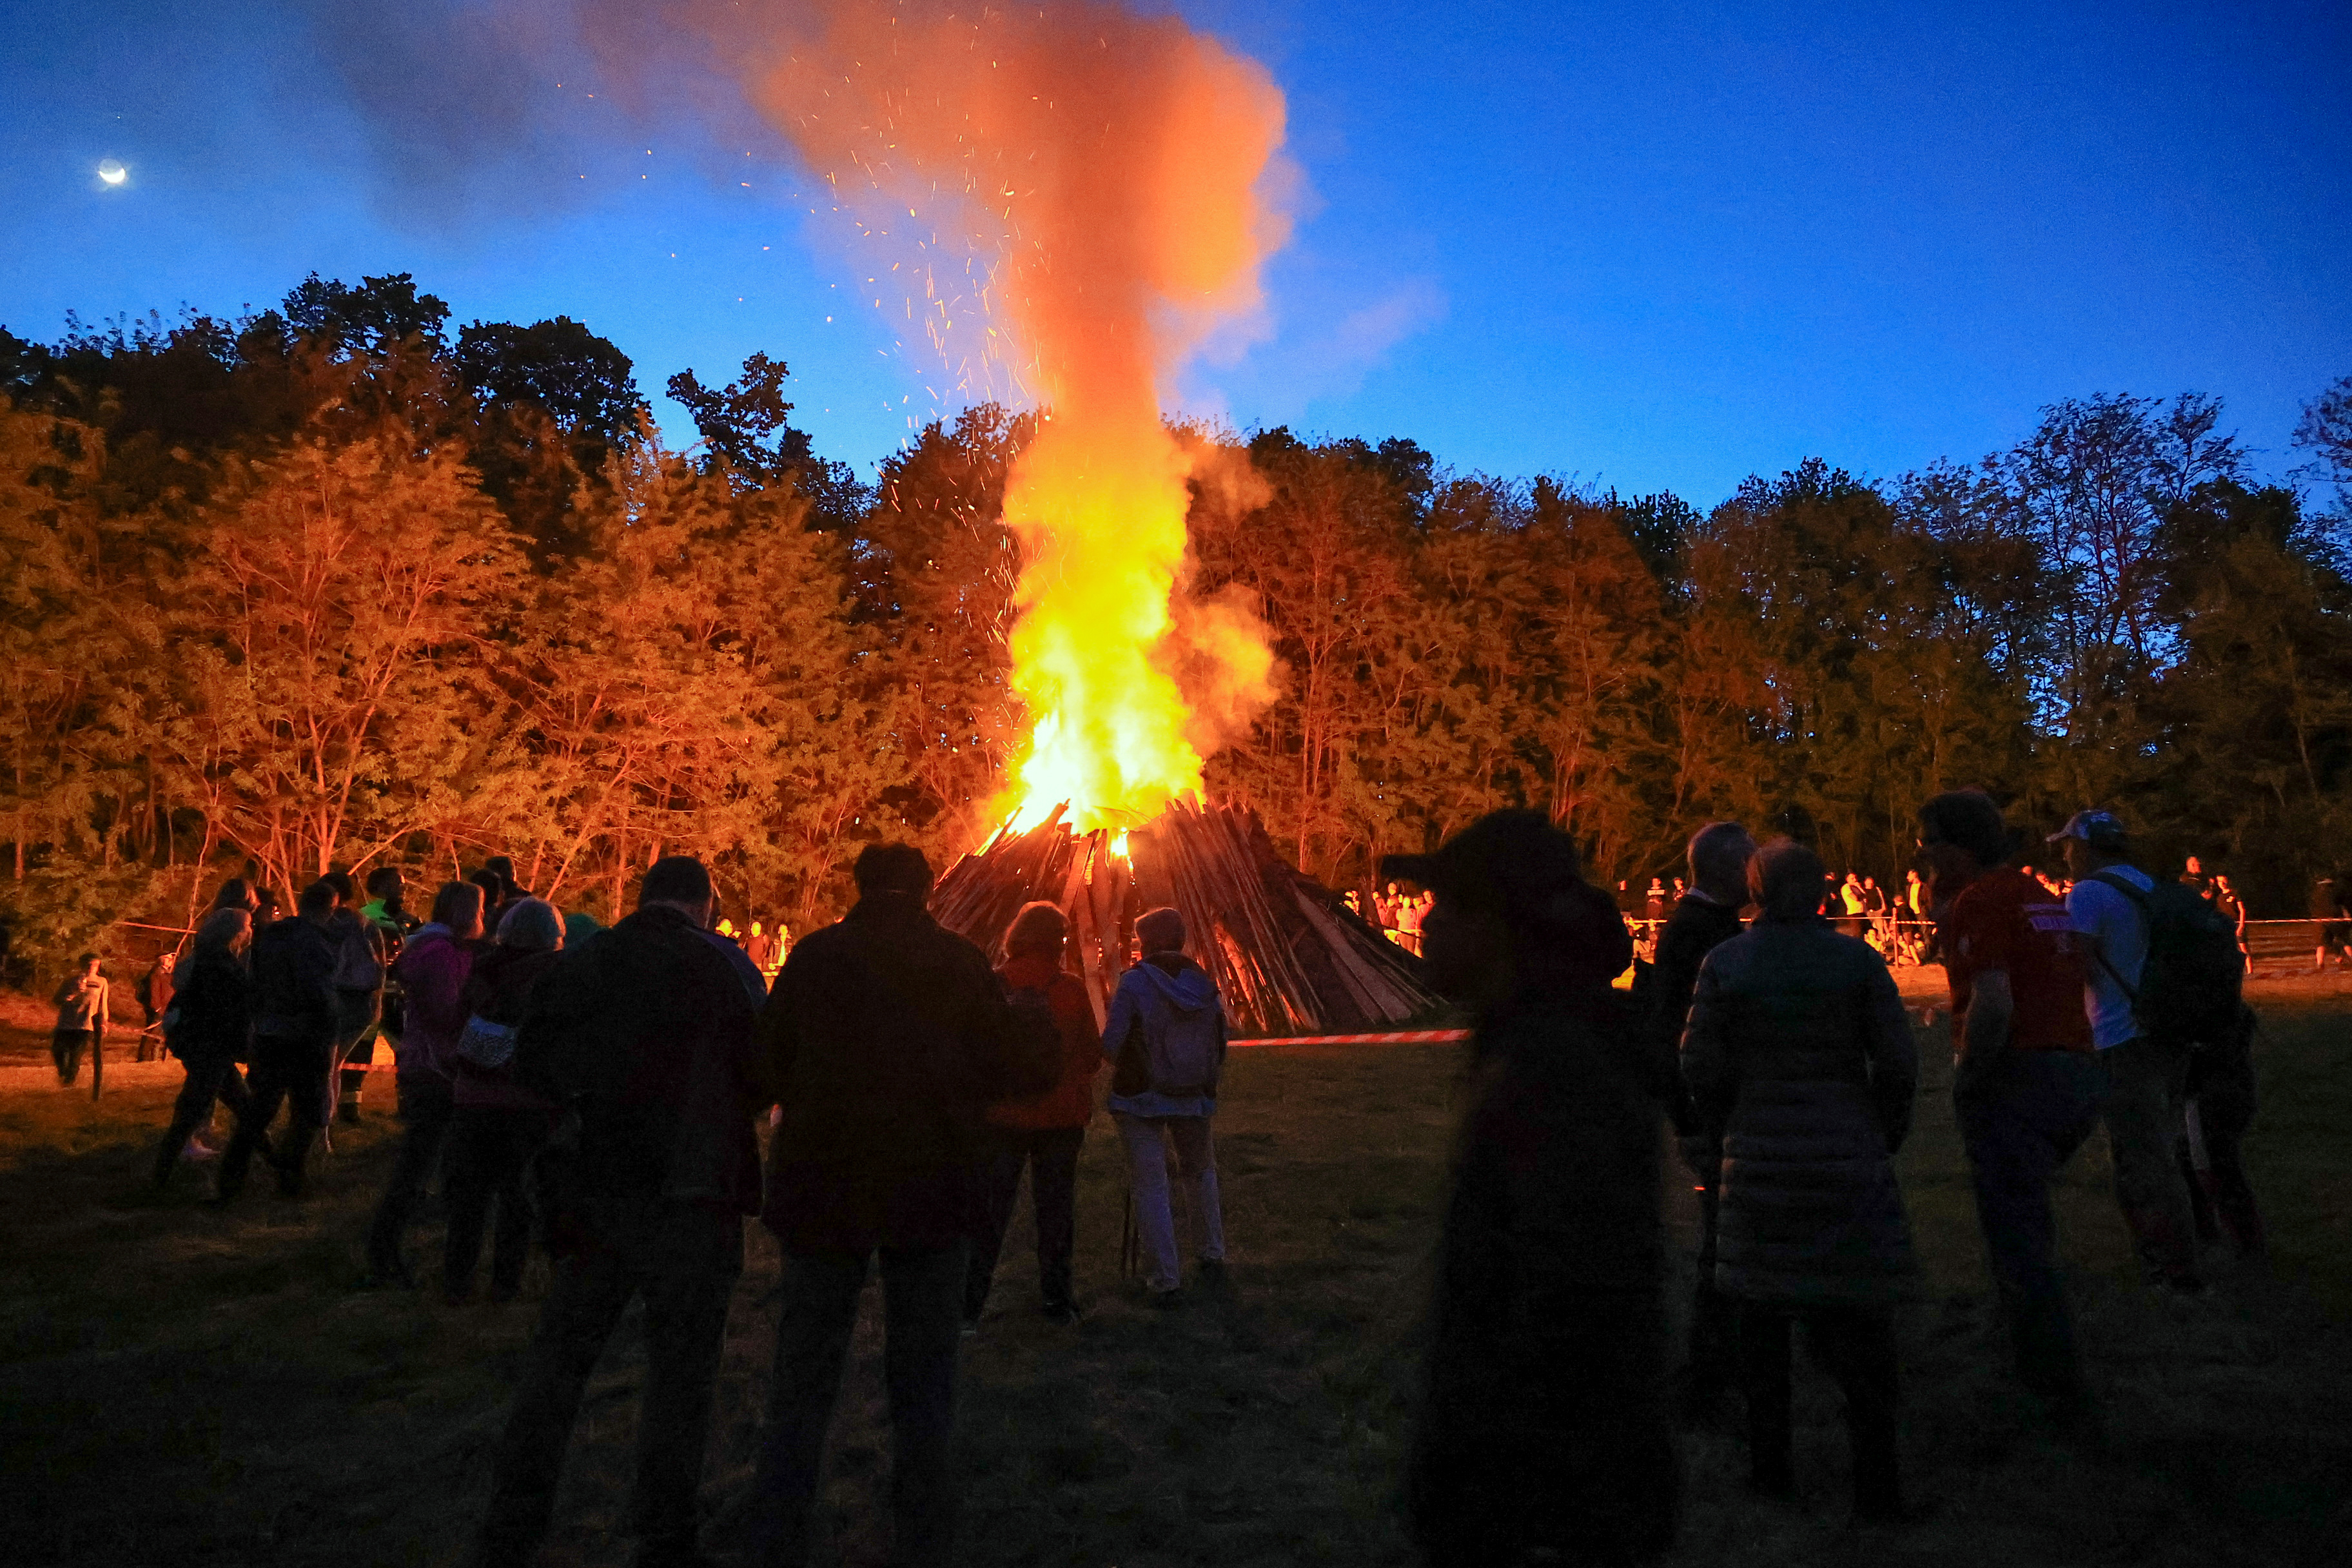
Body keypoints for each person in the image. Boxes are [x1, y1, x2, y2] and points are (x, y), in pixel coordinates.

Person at [748, 843, 1055, 1568]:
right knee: (926, 1375)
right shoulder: (958, 963)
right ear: (925, 889)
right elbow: (1016, 1069)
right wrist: (1032, 1013)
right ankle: (923, 1531)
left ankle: (779, 1526)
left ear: (861, 887)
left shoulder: (817, 959)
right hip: (932, 1187)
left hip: (827, 1187)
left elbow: (763, 1067)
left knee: (805, 1368)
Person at [1393, 809, 1675, 1568]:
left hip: (1546, 1507)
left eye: (1445, 906)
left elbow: (1576, 1308)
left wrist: (1517, 1512)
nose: (1425, 923)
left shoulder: (1557, 1073)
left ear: (1495, 924)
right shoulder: (1529, 1045)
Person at [471, 856, 767, 1568]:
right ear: (705, 903)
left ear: (643, 897)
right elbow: (762, 1071)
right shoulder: (728, 969)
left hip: (597, 1192)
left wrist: (586, 1114)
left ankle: (513, 1523)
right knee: (682, 1372)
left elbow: (533, 1062)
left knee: (562, 1360)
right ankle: (664, 1533)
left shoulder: (583, 960)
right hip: (692, 1200)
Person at [1681, 838, 1917, 1522]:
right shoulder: (1857, 962)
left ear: (1754, 888)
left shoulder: (1726, 964)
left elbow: (1698, 1063)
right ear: (1818, 892)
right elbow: (1897, 1063)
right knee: (1863, 1328)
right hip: (1846, 1153)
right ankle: (1877, 1483)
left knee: (1761, 1324)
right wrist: (1882, 1131)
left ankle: (1770, 1471)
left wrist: (1726, 1129)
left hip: (1756, 1160)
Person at [1923, 790, 2104, 1419]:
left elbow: (1994, 1002)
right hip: (2075, 1065)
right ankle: (2037, 1346)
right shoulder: (2040, 897)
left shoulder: (1984, 900)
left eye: (1929, 840)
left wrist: (1969, 1075)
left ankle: (2046, 1381)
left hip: (2020, 1073)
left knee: (2017, 1235)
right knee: (2030, 1219)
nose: (1922, 853)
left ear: (1954, 845)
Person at [2052, 811, 2206, 1294]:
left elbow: (2073, 970)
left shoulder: (2090, 893)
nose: (2064, 856)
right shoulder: (2149, 885)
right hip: (2168, 1030)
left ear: (2088, 846)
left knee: (2143, 1159)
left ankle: (2174, 1270)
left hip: (2122, 1037)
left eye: (2067, 846)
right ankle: (2192, 1244)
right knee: (2165, 1145)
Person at [1651, 819, 1755, 1423]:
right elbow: (1676, 1030)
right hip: (1709, 1104)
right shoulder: (1697, 931)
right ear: (1726, 868)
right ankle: (1710, 1372)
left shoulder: (1704, 925)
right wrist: (1688, 1115)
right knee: (1723, 1238)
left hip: (1714, 1099)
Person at [965, 901, 1102, 1329]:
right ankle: (1057, 1302)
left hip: (1002, 1118)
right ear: (1058, 942)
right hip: (1060, 1119)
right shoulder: (1071, 990)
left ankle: (968, 1306)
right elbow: (1092, 1056)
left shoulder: (994, 986)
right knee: (1055, 1211)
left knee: (989, 1213)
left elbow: (974, 1052)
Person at [1102, 905, 1230, 1304]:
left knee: (1151, 1184)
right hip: (1192, 1093)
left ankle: (1165, 1277)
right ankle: (1212, 1253)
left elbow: (1113, 1043)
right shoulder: (1203, 982)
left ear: (1147, 942)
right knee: (1200, 1173)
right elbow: (1219, 1042)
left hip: (1140, 1096)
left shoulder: (1135, 984)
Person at [444, 897, 566, 1305]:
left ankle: (457, 1282)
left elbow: (457, 1021)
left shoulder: (483, 968)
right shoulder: (555, 976)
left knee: (468, 1199)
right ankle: (505, 1286)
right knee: (516, 1200)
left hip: (471, 1097)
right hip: (526, 1102)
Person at [366, 881, 482, 1284]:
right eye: (481, 911)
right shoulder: (443, 954)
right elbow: (447, 1012)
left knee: (433, 1158)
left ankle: (403, 1241)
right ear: (467, 913)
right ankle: (385, 1247)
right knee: (419, 1161)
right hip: (437, 1068)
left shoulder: (434, 949)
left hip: (429, 1064)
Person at [220, 881, 342, 1199]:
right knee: (309, 1112)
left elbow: (253, 983)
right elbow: (319, 991)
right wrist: (329, 1024)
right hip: (305, 1037)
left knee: (260, 1109)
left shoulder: (270, 938)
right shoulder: (316, 943)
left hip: (270, 1034)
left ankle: (230, 1181)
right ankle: (291, 1177)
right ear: (330, 908)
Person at [152, 909, 259, 1185]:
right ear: (235, 932)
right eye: (247, 926)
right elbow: (224, 1008)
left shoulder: (207, 958)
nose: (250, 931)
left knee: (244, 1108)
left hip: (209, 1046)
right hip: (211, 1047)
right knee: (195, 1112)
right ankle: (160, 1178)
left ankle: (281, 1167)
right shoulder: (219, 964)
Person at [51, 952, 110, 1088]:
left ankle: (69, 1081)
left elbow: (104, 1004)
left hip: (86, 1023)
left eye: (96, 965)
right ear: (83, 965)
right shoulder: (71, 981)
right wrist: (72, 994)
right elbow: (57, 1000)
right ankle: (62, 1071)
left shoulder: (101, 982)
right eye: (90, 964)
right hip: (66, 1023)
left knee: (75, 1053)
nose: (92, 967)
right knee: (58, 1049)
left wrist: (104, 1023)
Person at [2210, 874, 2249, 974]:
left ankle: (2250, 970)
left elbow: (2242, 910)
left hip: (2236, 924)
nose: (2222, 884)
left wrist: (2241, 925)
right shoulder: (2219, 897)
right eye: (2219, 882)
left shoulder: (2235, 893)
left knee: (2243, 948)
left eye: (2224, 881)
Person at [2313, 872, 2351, 972]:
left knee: (2321, 943)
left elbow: (2312, 906)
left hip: (2320, 919)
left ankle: (2320, 963)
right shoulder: (2336, 890)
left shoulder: (2315, 893)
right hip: (2335, 919)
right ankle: (2345, 957)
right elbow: (2343, 906)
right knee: (2344, 941)